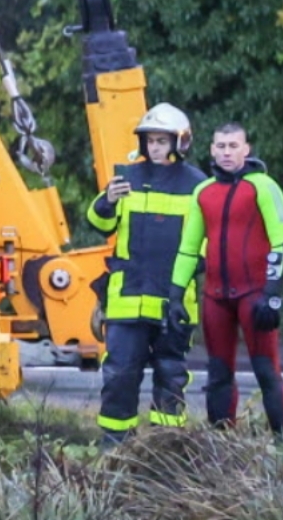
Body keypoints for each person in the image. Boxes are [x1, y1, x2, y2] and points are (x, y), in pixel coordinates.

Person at [86, 104, 206, 447]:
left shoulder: (198, 186)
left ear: (179, 142)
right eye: (150, 140)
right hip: (127, 300)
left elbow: (208, 245)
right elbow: (98, 223)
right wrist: (107, 200)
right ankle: (115, 447)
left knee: (170, 376)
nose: (154, 147)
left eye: (161, 140)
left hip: (174, 301)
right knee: (120, 374)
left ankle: (165, 450)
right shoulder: (126, 178)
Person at [171, 122, 283, 435]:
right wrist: (175, 294)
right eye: (221, 146)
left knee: (266, 371)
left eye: (233, 146)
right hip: (215, 297)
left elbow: (281, 242)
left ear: (246, 149)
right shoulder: (203, 192)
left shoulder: (263, 186)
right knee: (218, 374)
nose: (226, 152)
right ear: (212, 149)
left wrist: (273, 294)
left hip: (254, 294)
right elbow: (188, 248)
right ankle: (221, 448)